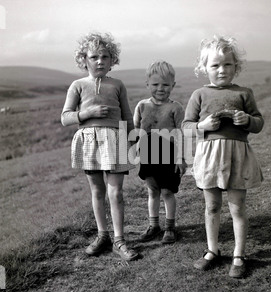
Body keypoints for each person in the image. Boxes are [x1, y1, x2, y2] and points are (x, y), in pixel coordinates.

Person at [182, 36, 264, 278]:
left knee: (237, 207)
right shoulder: (199, 94)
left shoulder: (244, 93)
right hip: (209, 157)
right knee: (212, 206)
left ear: (235, 67)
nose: (221, 70)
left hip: (237, 156)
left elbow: (259, 123)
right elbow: (186, 126)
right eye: (215, 65)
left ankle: (239, 255)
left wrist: (247, 120)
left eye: (227, 64)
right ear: (203, 68)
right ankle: (212, 250)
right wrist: (203, 125)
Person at [61, 32, 138, 261]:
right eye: (94, 56)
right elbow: (65, 118)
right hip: (89, 142)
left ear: (112, 60)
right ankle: (102, 235)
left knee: (116, 192)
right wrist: (88, 113)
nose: (100, 61)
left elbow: (127, 115)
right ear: (83, 59)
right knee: (97, 191)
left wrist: (133, 140)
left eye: (105, 56)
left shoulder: (117, 85)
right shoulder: (77, 85)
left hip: (115, 141)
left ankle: (119, 240)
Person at [133, 60, 187, 244]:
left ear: (173, 85)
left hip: (169, 154)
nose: (160, 88)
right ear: (147, 84)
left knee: (167, 192)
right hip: (148, 153)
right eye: (155, 84)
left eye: (165, 84)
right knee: (152, 190)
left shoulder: (175, 108)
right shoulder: (141, 106)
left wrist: (181, 158)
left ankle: (170, 228)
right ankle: (153, 226)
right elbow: (136, 131)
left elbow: (181, 134)